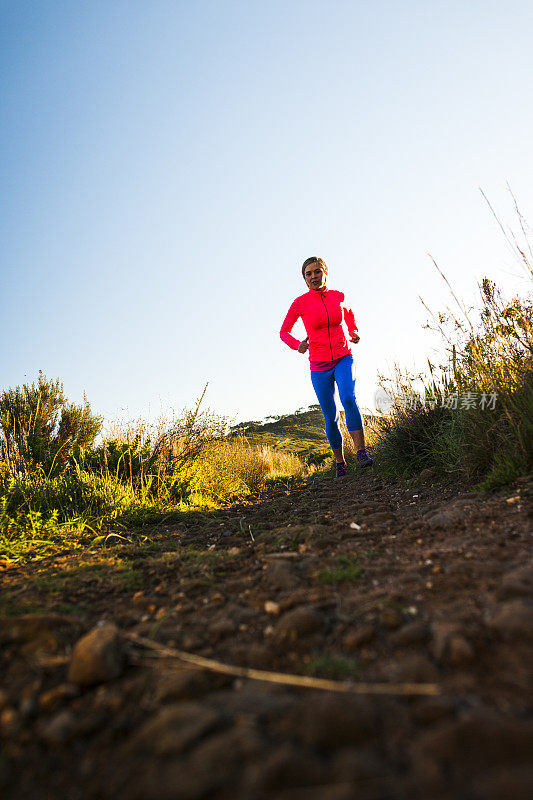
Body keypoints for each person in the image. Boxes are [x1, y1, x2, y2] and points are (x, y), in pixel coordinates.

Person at [280, 256, 373, 477]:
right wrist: (297, 345)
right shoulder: (300, 303)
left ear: (325, 273)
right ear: (304, 278)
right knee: (330, 415)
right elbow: (284, 332)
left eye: (317, 271)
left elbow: (348, 316)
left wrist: (353, 332)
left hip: (343, 357)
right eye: (308, 274)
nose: (313, 276)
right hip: (319, 365)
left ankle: (361, 452)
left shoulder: (339, 297)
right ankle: (340, 462)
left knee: (349, 398)